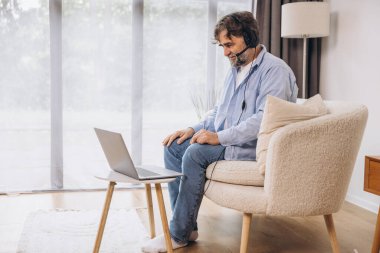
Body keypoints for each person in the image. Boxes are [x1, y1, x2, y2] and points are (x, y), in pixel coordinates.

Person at [142, 11, 298, 252]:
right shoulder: (235, 69)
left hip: (250, 147)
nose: (225, 52)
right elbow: (219, 112)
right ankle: (187, 226)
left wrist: (218, 137)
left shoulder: (275, 70)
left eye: (230, 44)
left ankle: (177, 234)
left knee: (195, 153)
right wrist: (192, 129)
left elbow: (264, 121)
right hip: (227, 141)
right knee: (174, 147)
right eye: (223, 46)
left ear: (249, 37)